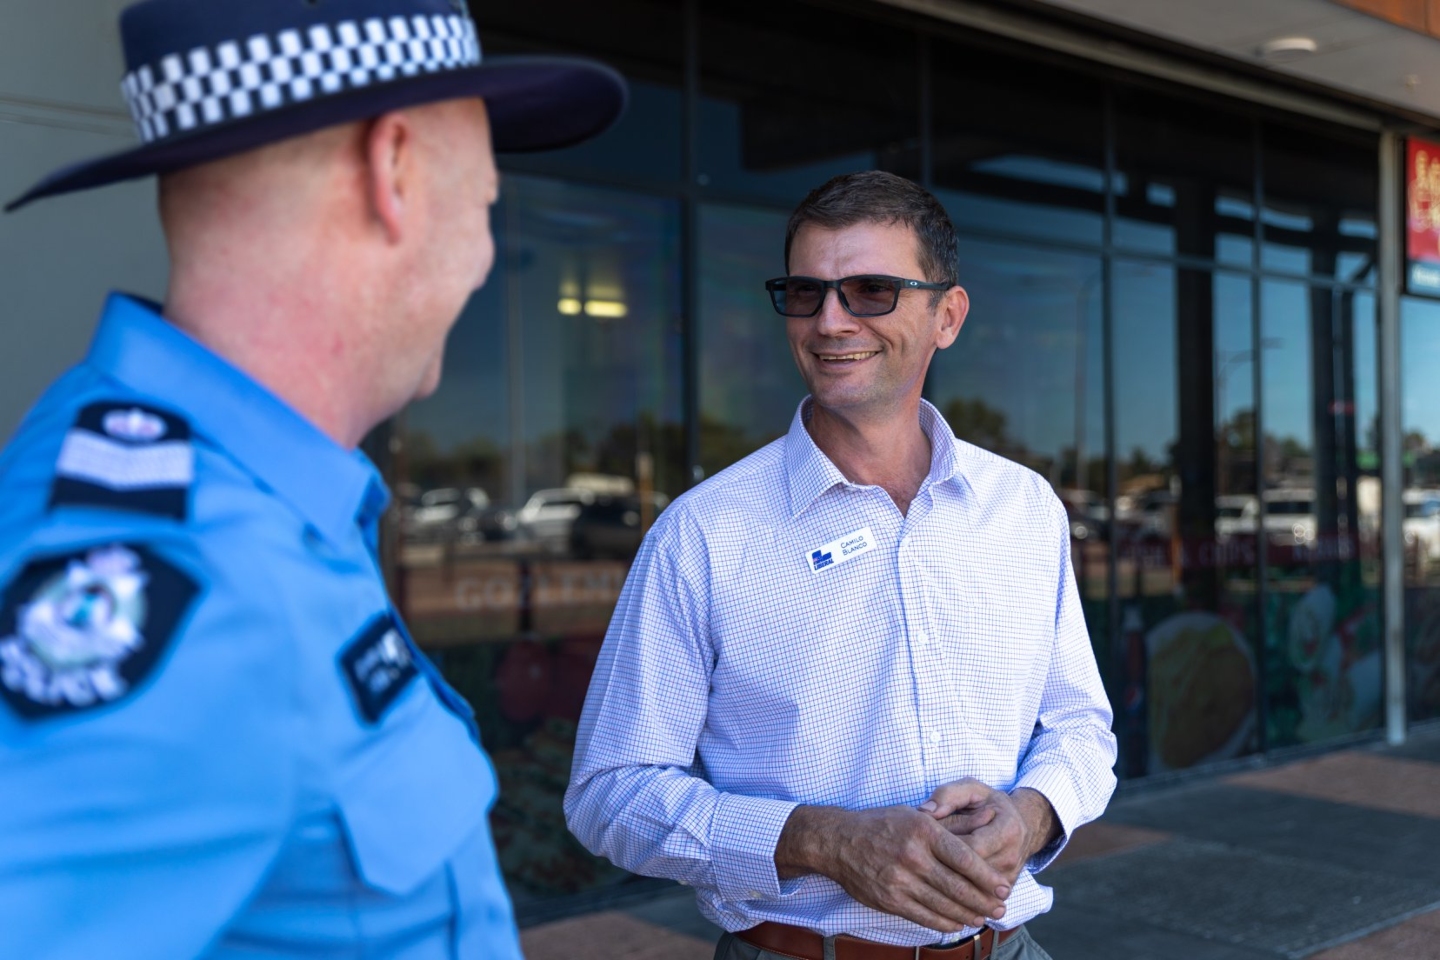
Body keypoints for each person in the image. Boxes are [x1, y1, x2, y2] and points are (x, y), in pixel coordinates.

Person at [0, 1, 625, 956]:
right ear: (394, 169)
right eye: (486, 204)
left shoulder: (229, 501)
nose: (485, 258)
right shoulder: (189, 578)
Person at [565, 171, 1116, 960]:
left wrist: (1032, 814)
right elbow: (609, 794)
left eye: (869, 291)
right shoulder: (703, 534)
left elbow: (1080, 727)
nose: (829, 321)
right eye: (806, 292)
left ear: (947, 316)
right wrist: (822, 841)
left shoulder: (1024, 508)